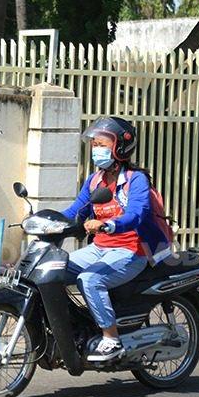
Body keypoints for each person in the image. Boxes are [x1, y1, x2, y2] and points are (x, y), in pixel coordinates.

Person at [62, 117, 172, 362]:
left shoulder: (135, 179)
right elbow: (74, 212)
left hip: (132, 251)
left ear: (119, 148)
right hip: (100, 248)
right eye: (94, 145)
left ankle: (111, 338)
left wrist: (108, 224)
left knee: (89, 279)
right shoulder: (94, 180)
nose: (96, 150)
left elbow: (137, 213)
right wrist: (44, 220)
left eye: (101, 144)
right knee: (56, 269)